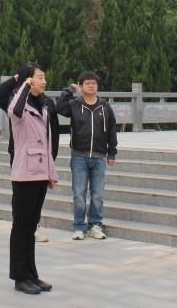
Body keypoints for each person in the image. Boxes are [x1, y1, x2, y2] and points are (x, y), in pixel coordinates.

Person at [0, 64, 59, 295]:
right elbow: (13, 110)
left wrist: (51, 173)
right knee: (21, 226)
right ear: (29, 81)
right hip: (24, 174)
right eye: (39, 77)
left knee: (31, 226)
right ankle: (20, 277)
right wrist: (21, 82)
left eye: (44, 77)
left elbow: (49, 143)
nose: (44, 81)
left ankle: (32, 274)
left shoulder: (45, 105)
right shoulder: (19, 105)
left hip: (40, 172)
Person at [56, 71, 117, 241]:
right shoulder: (74, 105)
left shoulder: (105, 107)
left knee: (98, 195)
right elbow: (59, 108)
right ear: (81, 86)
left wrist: (112, 152)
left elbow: (112, 130)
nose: (91, 86)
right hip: (79, 157)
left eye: (94, 83)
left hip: (99, 157)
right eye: (88, 83)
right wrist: (69, 91)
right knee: (79, 194)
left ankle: (95, 225)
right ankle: (79, 226)